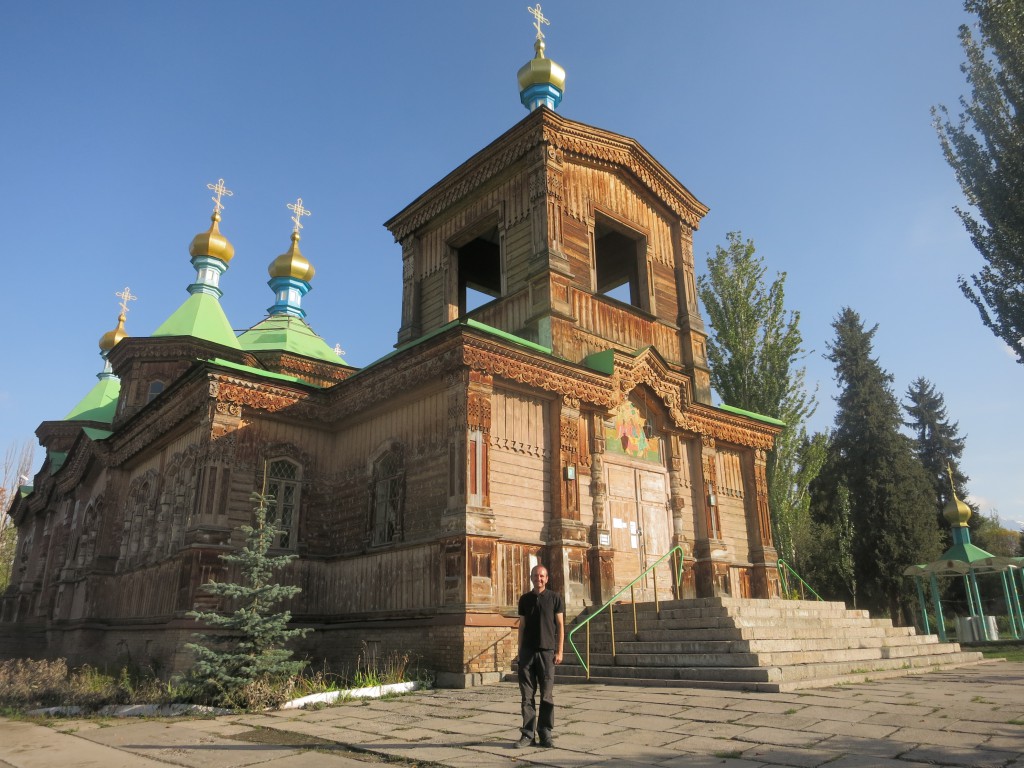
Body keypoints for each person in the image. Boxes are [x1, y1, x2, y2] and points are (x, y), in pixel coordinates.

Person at [514, 564, 564, 749]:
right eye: (536, 576)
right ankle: (527, 735)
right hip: (527, 653)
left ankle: (545, 733)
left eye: (542, 576)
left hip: (547, 652)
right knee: (527, 697)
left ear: (547, 578)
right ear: (531, 577)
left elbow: (560, 625)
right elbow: (522, 627)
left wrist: (559, 651)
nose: (539, 579)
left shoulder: (554, 598)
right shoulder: (525, 599)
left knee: (546, 696)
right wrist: (519, 652)